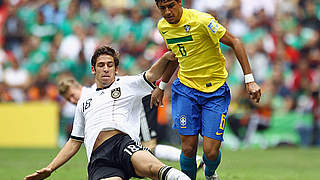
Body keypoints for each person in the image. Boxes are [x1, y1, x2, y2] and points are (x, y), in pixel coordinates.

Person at [24, 45, 190, 180]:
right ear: (93, 69)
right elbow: (74, 141)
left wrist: (165, 57)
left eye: (110, 65)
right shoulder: (84, 100)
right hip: (99, 159)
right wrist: (50, 168)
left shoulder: (127, 84)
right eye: (101, 65)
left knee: (154, 168)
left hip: (122, 144)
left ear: (116, 69)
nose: (106, 69)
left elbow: (152, 74)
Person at [152, 1, 262, 180]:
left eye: (171, 5)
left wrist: (249, 80)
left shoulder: (201, 21)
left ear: (180, 2)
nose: (167, 12)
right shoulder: (163, 26)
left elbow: (235, 41)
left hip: (215, 92)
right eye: (162, 8)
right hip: (186, 90)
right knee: (188, 147)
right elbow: (176, 55)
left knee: (211, 152)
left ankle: (209, 172)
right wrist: (161, 86)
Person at [57, 75, 203, 164]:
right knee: (140, 151)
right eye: (68, 99)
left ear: (78, 86)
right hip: (130, 117)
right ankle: (190, 161)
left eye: (72, 94)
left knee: (148, 147)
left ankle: (193, 161)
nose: (72, 100)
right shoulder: (87, 101)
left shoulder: (94, 92)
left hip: (140, 109)